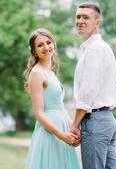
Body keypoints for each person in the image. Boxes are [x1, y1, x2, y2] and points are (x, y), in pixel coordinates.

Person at [70, 2, 116, 169]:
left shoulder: (94, 50)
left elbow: (88, 92)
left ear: (97, 22)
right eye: (78, 17)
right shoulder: (99, 47)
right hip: (106, 120)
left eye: (86, 17)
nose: (80, 21)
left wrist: (75, 125)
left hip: (95, 121)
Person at [24, 28, 81, 169]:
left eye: (48, 42)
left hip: (62, 128)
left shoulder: (49, 72)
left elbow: (60, 106)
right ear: (34, 51)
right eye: (40, 45)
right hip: (50, 132)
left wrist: (73, 127)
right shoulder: (36, 73)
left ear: (54, 44)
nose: (46, 47)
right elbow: (38, 113)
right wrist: (61, 135)